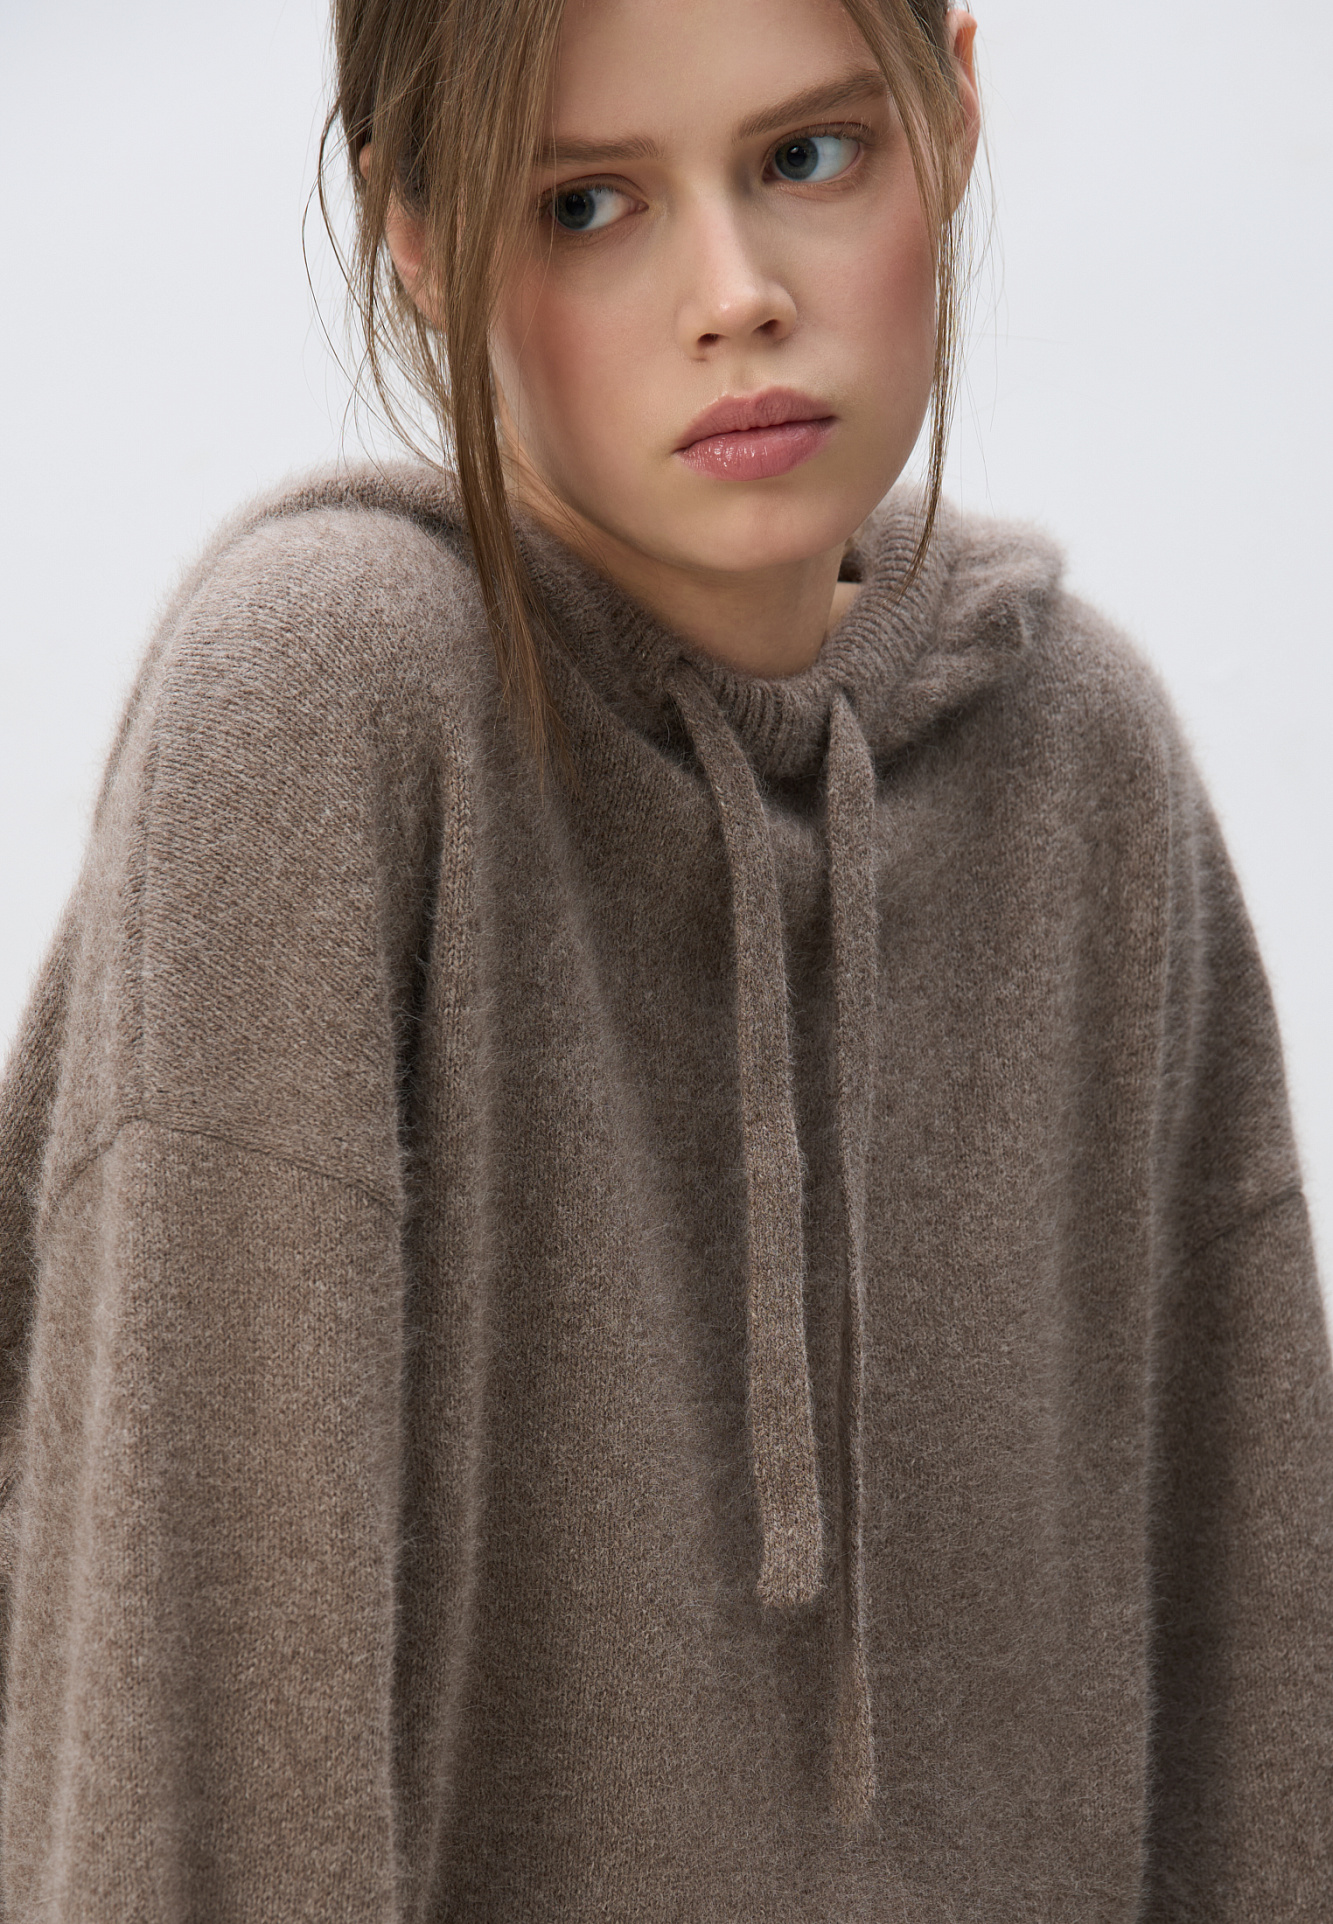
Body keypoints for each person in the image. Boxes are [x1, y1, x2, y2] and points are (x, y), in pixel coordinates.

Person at [1, 0, 1329, 1916]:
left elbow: (1254, 1696)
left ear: (951, 112)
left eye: (807, 156)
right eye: (585, 203)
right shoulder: (319, 709)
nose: (733, 298)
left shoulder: (1082, 756)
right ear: (422, 237)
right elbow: (184, 1754)